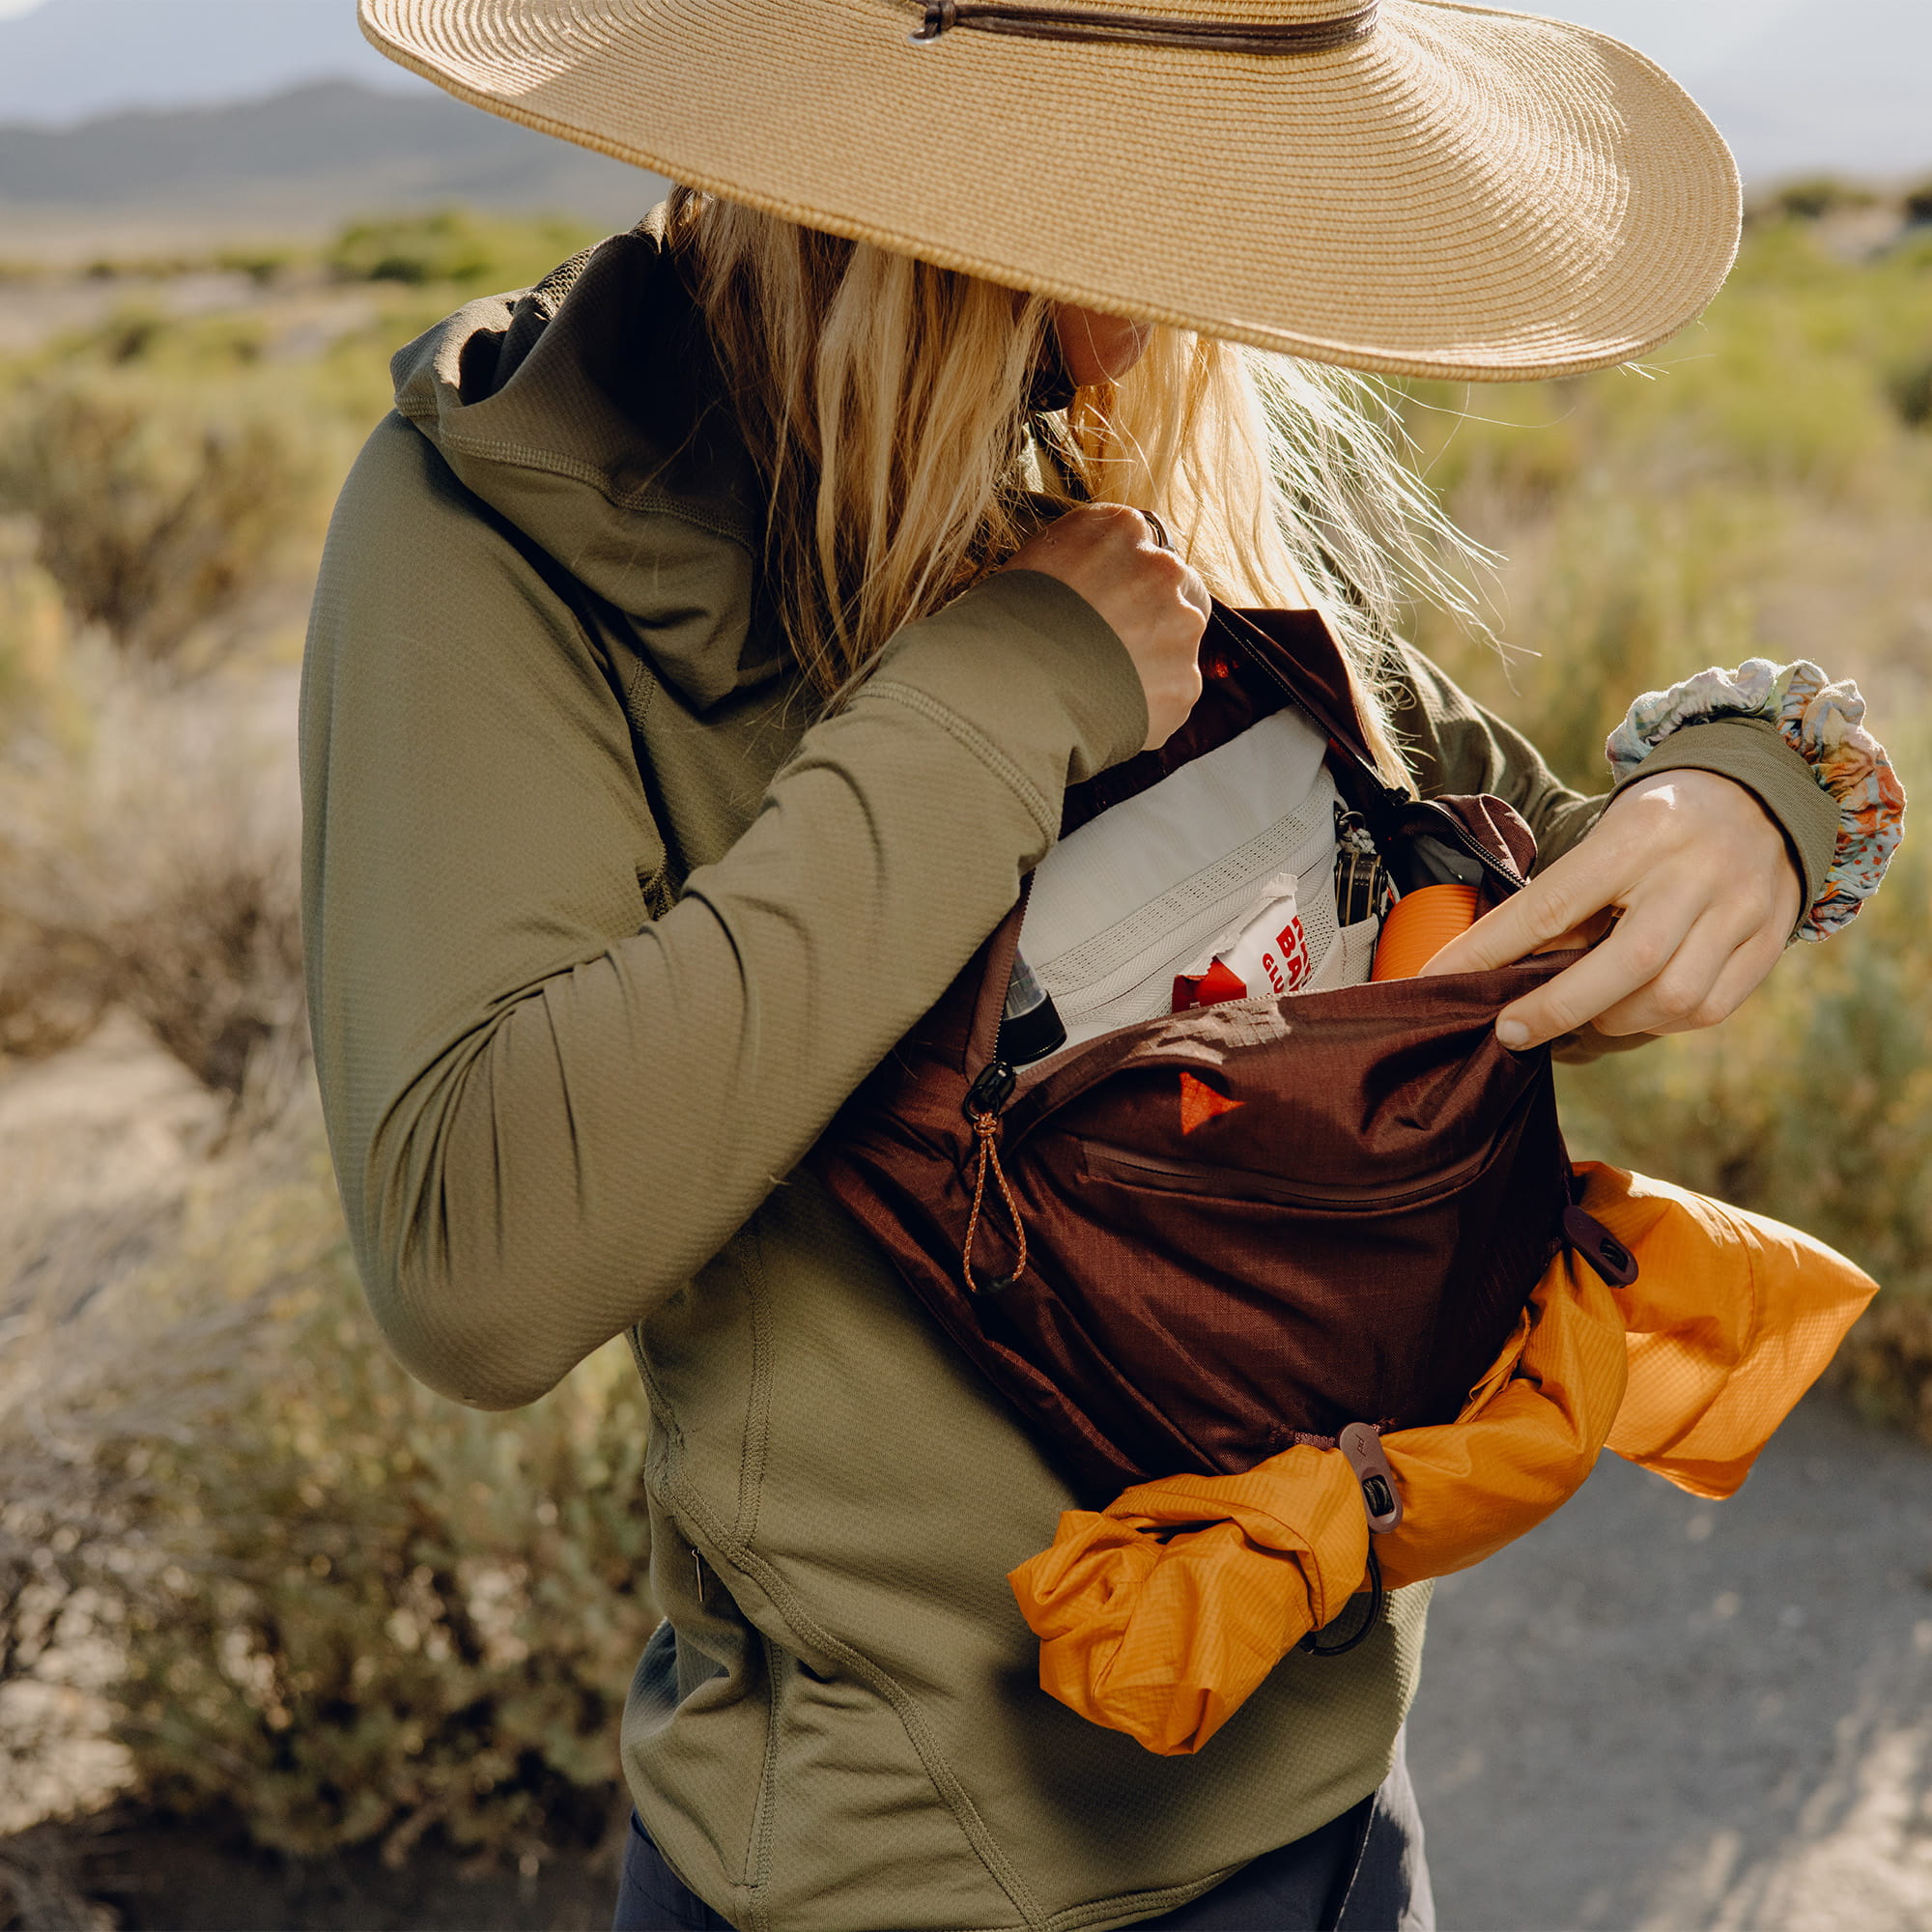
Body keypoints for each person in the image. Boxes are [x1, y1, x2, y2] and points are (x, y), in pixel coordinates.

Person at [302, 1, 1896, 1924]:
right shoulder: (502, 532)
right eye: (1130, 186)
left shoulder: (1088, 441)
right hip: (899, 1888)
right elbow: (474, 1266)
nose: (1174, 300)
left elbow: (1515, 894)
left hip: (1339, 1818)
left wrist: (1760, 790)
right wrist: (993, 707)